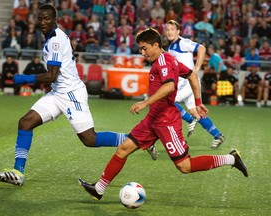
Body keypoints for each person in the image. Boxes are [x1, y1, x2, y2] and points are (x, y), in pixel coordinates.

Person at [79, 28, 248, 201]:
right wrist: (197, 103)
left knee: (185, 166)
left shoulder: (164, 62)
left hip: (167, 121)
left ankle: (231, 159)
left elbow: (169, 86)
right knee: (123, 149)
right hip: (153, 119)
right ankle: (99, 189)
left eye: (145, 48)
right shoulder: (168, 59)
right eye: (140, 49)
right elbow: (192, 76)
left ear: (156, 45)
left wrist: (145, 102)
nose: (142, 52)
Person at [0, 4, 127, 186]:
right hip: (58, 93)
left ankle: (135, 139)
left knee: (90, 139)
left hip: (71, 94)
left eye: (47, 18)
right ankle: (18, 172)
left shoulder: (55, 40)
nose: (43, 22)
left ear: (55, 20)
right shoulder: (51, 37)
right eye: (40, 18)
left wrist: (23, 78)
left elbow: (51, 75)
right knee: (25, 122)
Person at [165, 20, 225, 148]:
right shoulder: (171, 48)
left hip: (188, 82)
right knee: (195, 111)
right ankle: (217, 135)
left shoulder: (182, 42)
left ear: (178, 31)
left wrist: (196, 69)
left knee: (168, 101)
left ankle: (190, 120)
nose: (169, 32)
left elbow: (202, 48)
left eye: (172, 29)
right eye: (167, 29)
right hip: (185, 83)